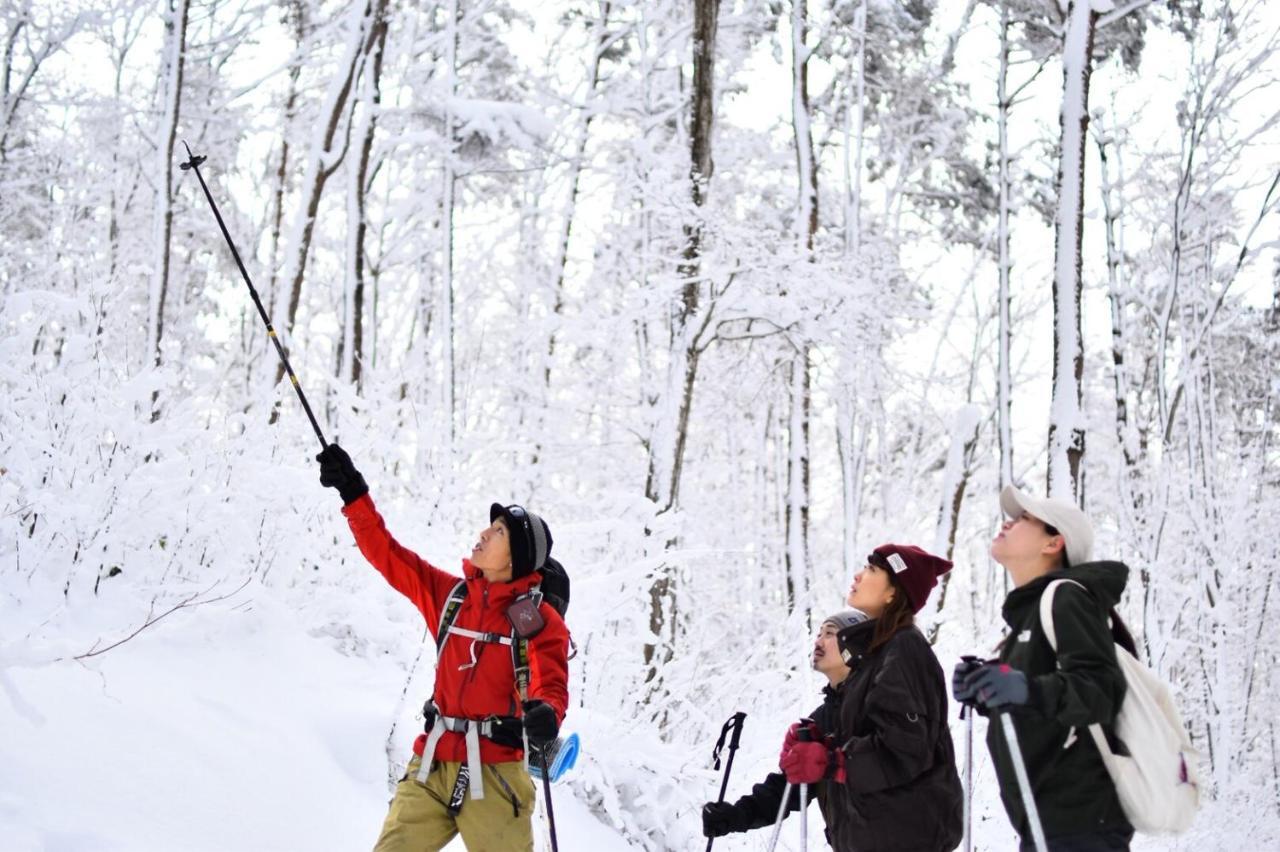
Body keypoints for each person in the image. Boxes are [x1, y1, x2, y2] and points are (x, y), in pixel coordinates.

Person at [316, 443, 569, 852]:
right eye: (490, 527)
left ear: (516, 560)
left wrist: (547, 713)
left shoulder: (537, 619)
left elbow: (551, 682)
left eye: (499, 531)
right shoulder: (452, 597)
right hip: (431, 764)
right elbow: (389, 555)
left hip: (497, 774)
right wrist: (353, 494)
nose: (484, 533)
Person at [952, 485, 1133, 851]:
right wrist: (987, 691)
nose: (1008, 524)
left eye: (1023, 519)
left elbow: (1100, 690)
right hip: (1047, 825)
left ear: (1053, 543)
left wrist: (1024, 688)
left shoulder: (1067, 598)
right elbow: (1042, 704)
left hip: (1081, 828)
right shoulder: (1031, 616)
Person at [781, 544, 964, 852]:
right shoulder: (876, 657)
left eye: (872, 570)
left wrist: (830, 761)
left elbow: (906, 749)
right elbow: (878, 737)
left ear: (893, 594)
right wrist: (823, 742)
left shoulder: (904, 649)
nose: (858, 575)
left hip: (905, 839)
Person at [700, 609, 869, 844]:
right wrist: (736, 816)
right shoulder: (822, 720)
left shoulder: (881, 705)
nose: (818, 641)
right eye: (818, 633)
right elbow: (786, 789)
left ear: (856, 645)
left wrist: (831, 761)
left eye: (829, 633)